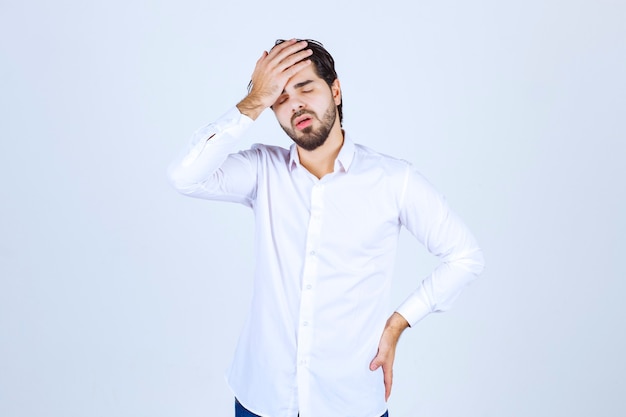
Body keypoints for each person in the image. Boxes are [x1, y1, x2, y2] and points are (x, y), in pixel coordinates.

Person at [168, 38, 484, 417]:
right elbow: (184, 177)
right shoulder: (261, 171)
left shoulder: (394, 180)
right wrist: (253, 101)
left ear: (335, 90)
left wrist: (399, 322)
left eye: (305, 87)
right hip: (262, 398)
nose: (295, 104)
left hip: (349, 401)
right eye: (279, 98)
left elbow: (465, 256)